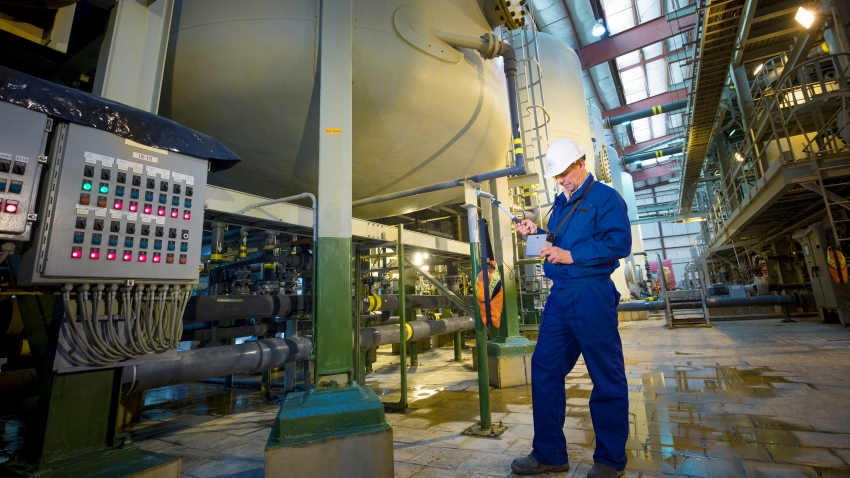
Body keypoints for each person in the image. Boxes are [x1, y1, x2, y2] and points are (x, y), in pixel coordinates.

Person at [510, 138, 631, 478]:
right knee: (545, 368)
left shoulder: (605, 198)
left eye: (565, 173)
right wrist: (534, 234)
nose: (562, 180)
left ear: (581, 163)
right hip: (561, 297)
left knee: (605, 376)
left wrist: (571, 256)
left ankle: (609, 460)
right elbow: (554, 244)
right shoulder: (561, 206)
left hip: (592, 294)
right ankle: (549, 453)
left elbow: (618, 243)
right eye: (557, 176)